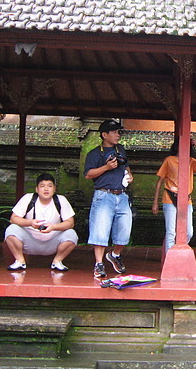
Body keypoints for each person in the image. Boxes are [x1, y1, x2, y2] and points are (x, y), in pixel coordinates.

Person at [84, 119, 134, 278]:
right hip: (103, 195)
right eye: (114, 132)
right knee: (100, 230)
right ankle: (99, 264)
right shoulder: (94, 153)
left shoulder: (121, 149)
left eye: (118, 132)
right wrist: (106, 167)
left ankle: (115, 255)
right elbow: (88, 174)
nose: (117, 135)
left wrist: (129, 174)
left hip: (122, 195)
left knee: (125, 231)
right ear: (104, 135)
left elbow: (125, 165)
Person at [4, 172, 78, 271]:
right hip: (30, 240)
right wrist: (30, 223)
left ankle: (57, 261)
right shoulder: (28, 198)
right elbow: (13, 218)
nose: (46, 189)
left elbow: (70, 223)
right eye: (42, 186)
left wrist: (53, 227)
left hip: (52, 241)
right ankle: (20, 261)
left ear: (54, 189)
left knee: (71, 234)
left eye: (50, 186)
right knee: (11, 230)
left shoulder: (61, 200)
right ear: (37, 189)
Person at [152, 137, 196, 254]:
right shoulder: (169, 160)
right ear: (177, 146)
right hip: (169, 198)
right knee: (171, 232)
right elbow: (159, 182)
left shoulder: (191, 161)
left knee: (189, 232)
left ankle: (178, 252)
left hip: (186, 200)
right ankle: (169, 260)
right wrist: (155, 203)